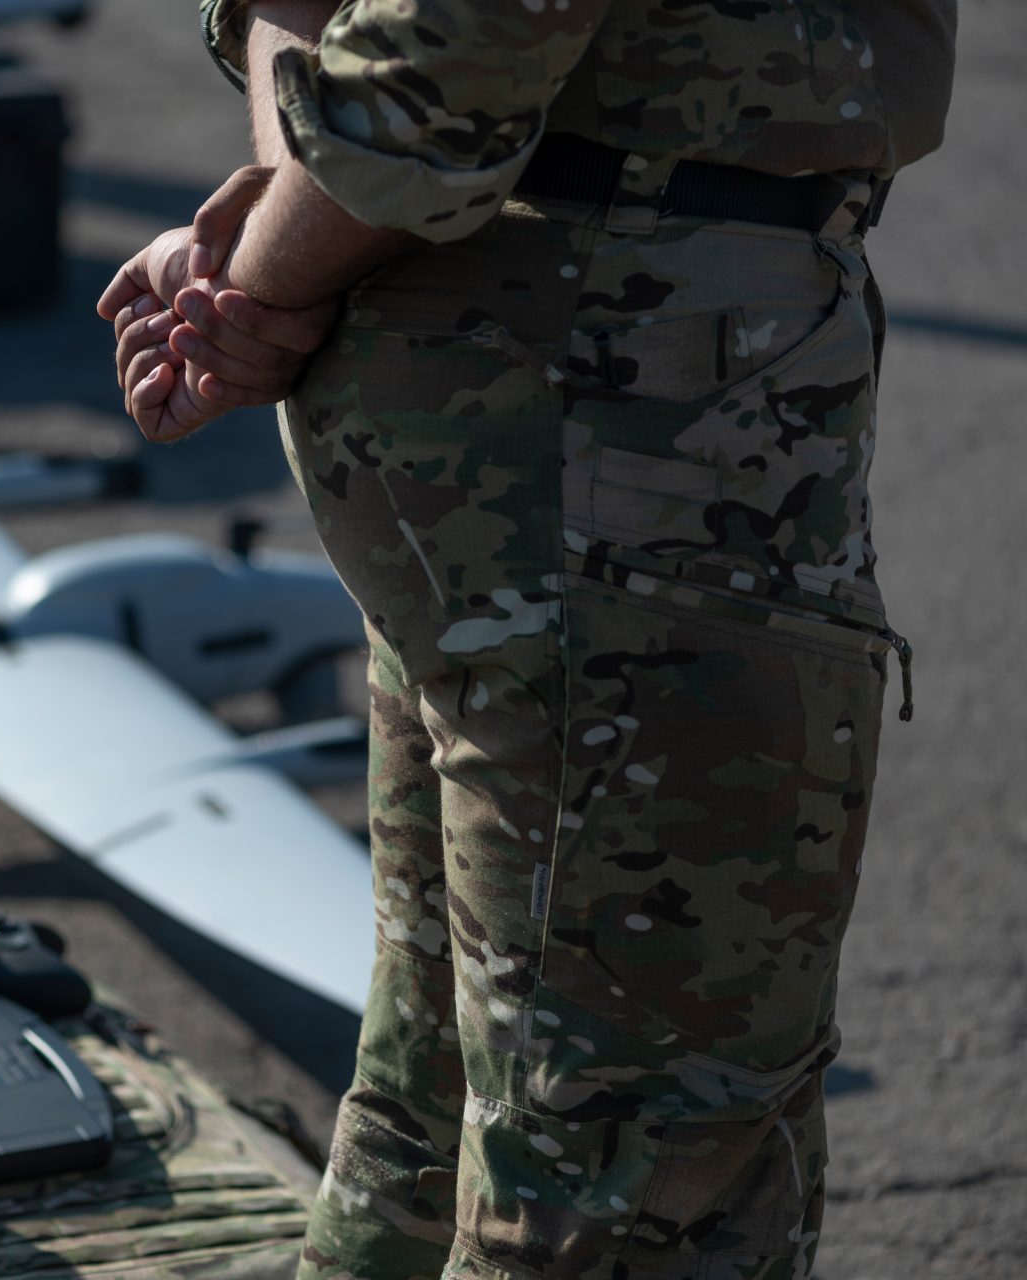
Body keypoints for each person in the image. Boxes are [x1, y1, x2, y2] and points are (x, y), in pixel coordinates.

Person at [96, 3, 957, 1278]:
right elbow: (459, 40)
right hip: (630, 400)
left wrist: (271, 244)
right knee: (631, 1174)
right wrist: (262, 281)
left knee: (438, 1108)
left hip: (495, 369)